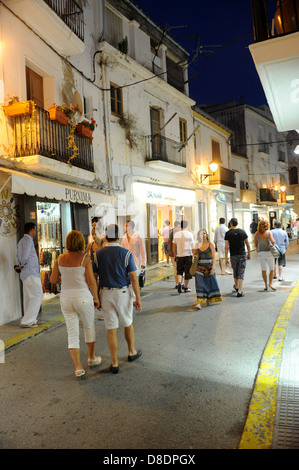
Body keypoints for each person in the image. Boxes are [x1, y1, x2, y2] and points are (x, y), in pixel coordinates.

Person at [50, 230, 102, 379]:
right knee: (88, 327)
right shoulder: (85, 258)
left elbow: (53, 280)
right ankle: (91, 358)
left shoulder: (59, 259)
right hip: (83, 297)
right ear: (81, 242)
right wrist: (96, 298)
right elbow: (91, 281)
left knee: (72, 332)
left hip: (66, 298)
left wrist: (63, 275)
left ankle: (78, 368)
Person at [94, 224, 142, 374]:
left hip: (106, 293)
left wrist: (96, 297)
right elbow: (134, 278)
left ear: (106, 236)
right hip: (122, 293)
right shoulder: (126, 253)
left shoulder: (97, 254)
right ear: (119, 235)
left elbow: (94, 278)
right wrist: (138, 298)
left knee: (111, 329)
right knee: (128, 323)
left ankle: (114, 363)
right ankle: (131, 352)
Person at [17, 222, 43, 328]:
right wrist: (22, 265)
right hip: (30, 272)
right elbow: (25, 256)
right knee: (38, 295)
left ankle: (31, 319)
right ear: (32, 229)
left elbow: (19, 255)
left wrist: (21, 265)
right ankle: (27, 320)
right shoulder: (28, 240)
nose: (35, 232)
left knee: (29, 297)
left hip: (25, 273)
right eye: (35, 229)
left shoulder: (22, 240)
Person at [194, 229, 222, 309]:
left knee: (210, 284)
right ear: (198, 236)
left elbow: (214, 257)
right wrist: (195, 257)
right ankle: (199, 302)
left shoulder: (210, 245)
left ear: (206, 234)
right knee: (199, 285)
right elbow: (194, 255)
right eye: (201, 234)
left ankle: (209, 298)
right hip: (199, 268)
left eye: (204, 233)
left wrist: (213, 268)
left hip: (209, 268)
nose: (203, 235)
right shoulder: (197, 245)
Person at [225, 218, 251, 297]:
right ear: (238, 223)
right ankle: (239, 291)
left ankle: (236, 286)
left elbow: (226, 247)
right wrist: (249, 253)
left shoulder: (228, 233)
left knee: (235, 271)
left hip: (233, 255)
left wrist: (226, 258)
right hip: (242, 254)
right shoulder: (242, 232)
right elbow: (247, 244)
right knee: (241, 272)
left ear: (230, 223)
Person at [172, 220, 195, 293]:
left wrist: (175, 255)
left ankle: (179, 283)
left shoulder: (176, 234)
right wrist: (194, 255)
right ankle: (186, 287)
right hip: (188, 255)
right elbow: (192, 246)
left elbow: (174, 246)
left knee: (179, 270)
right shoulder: (189, 234)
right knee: (187, 271)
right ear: (187, 225)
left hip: (179, 255)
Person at [253, 219, 276, 291]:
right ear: (267, 225)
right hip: (269, 252)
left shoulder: (257, 233)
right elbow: (273, 242)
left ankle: (265, 285)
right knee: (271, 269)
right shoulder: (269, 232)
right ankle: (270, 283)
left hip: (260, 253)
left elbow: (255, 243)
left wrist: (258, 249)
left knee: (263, 269)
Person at [168, 221, 181, 288]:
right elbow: (169, 242)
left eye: (179, 226)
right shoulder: (172, 233)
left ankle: (180, 283)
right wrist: (169, 251)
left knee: (180, 269)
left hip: (181, 254)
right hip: (174, 254)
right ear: (175, 226)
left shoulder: (181, 233)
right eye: (178, 226)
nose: (179, 228)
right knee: (176, 268)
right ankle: (177, 283)